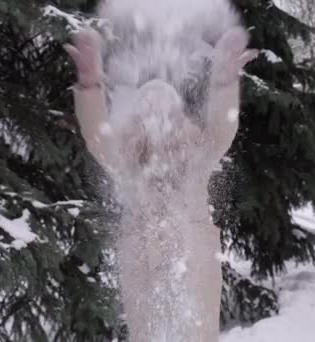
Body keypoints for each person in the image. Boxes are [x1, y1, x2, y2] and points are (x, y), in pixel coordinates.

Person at [65, 26, 257, 341]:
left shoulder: (199, 154)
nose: (157, 113)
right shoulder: (126, 161)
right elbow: (97, 137)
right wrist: (90, 85)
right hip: (142, 265)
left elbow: (224, 126)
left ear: (178, 116)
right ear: (138, 119)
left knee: (198, 335)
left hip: (194, 261)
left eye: (164, 105)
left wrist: (224, 81)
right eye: (148, 106)